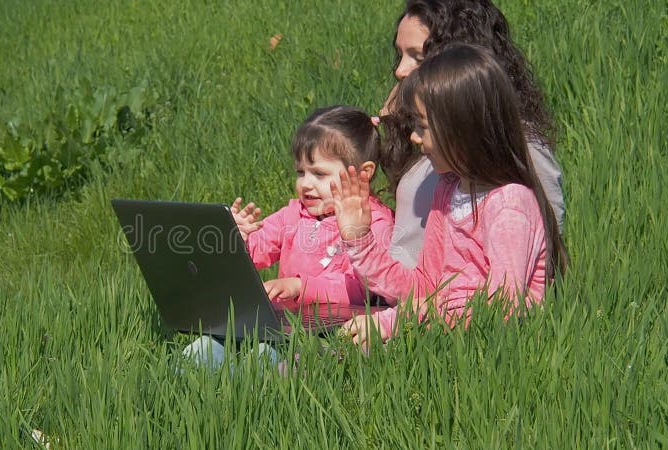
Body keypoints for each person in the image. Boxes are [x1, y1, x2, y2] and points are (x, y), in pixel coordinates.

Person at [333, 44, 568, 349]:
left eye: (423, 127)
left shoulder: (510, 204)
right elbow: (425, 289)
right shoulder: (448, 191)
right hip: (440, 339)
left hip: (487, 356)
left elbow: (502, 310)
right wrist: (360, 240)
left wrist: (399, 320)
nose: (415, 138)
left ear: (463, 129)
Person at [183, 105, 395, 368]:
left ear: (363, 174)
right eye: (300, 172)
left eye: (319, 174)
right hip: (280, 322)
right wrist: (236, 240)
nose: (306, 184)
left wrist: (300, 287)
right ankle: (177, 392)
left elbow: (361, 288)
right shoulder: (293, 214)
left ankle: (245, 402)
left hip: (332, 331)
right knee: (204, 347)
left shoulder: (373, 221)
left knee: (263, 358)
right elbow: (257, 253)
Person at [378, 0, 565, 269]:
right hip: (406, 297)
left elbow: (541, 246)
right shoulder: (428, 134)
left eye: (417, 57)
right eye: (400, 55)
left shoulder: (515, 142)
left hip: (453, 305)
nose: (400, 70)